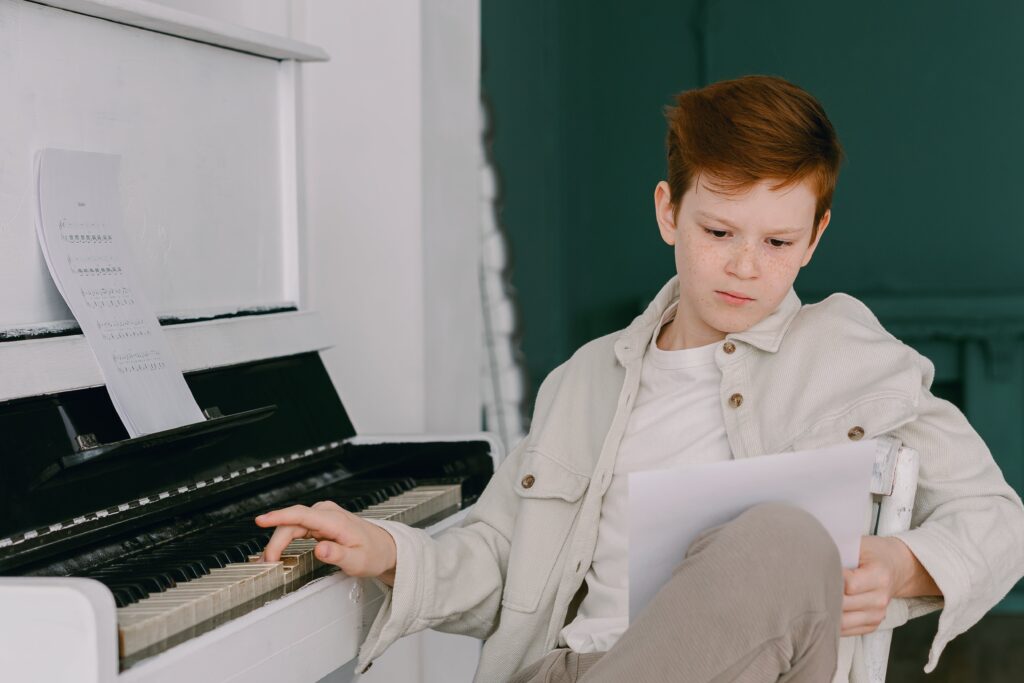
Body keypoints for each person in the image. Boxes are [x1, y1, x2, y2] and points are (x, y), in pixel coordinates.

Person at [255, 75, 1024, 682]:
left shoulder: (853, 357)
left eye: (778, 239)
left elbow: (999, 519)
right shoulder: (585, 381)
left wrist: (901, 564)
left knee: (785, 538)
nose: (745, 265)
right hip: (566, 667)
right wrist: (386, 548)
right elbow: (501, 559)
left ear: (815, 237)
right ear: (668, 212)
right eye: (718, 231)